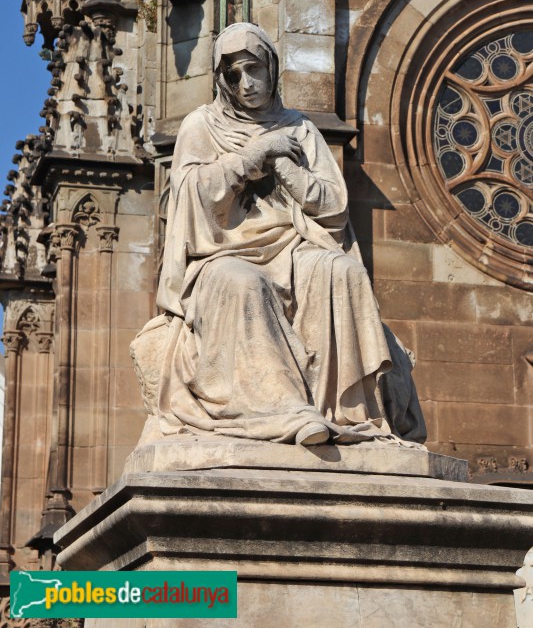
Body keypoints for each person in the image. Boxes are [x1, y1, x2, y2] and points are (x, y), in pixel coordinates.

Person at [156, 22, 425, 447]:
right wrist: (255, 154)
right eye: (233, 75)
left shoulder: (299, 128)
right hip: (221, 254)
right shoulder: (202, 125)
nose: (246, 84)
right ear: (221, 80)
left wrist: (286, 167)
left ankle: (348, 411)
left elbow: (334, 206)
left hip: (293, 247)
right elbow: (191, 196)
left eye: (254, 69)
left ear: (271, 67)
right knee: (245, 284)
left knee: (343, 272)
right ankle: (280, 410)